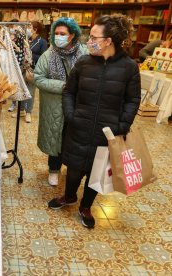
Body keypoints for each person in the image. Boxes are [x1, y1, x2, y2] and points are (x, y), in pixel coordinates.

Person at [48, 14, 141, 228]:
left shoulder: (129, 67)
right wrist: (71, 115)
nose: (89, 41)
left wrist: (122, 126)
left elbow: (133, 99)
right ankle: (69, 196)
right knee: (73, 168)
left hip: (108, 132)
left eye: (94, 37)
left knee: (96, 173)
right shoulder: (83, 62)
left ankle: (86, 206)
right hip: (79, 126)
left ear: (108, 41)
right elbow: (68, 92)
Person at [34, 17, 87, 186]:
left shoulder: (85, 54)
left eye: (62, 33)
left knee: (74, 138)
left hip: (79, 105)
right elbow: (38, 78)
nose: (58, 36)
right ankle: (54, 170)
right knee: (56, 137)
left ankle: (72, 170)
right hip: (55, 105)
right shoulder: (48, 55)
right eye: (56, 33)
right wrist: (64, 86)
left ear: (72, 35)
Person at [11, 21, 48, 123]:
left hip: (33, 70)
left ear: (35, 29)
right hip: (22, 68)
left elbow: (43, 57)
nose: (28, 29)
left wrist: (29, 53)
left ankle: (28, 112)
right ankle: (21, 110)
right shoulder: (26, 39)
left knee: (30, 91)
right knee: (22, 90)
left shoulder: (42, 42)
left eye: (30, 27)